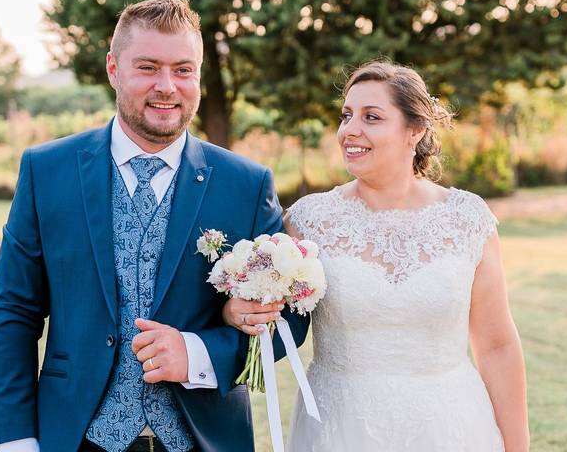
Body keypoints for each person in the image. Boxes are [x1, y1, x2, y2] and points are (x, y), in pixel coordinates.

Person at [0, 0, 309, 452]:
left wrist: (197, 354)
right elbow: (14, 313)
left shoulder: (246, 184)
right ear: (113, 69)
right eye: (148, 67)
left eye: (183, 69)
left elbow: (288, 322)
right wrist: (17, 440)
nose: (167, 86)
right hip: (76, 437)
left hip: (205, 440)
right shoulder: (47, 171)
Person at [224, 61, 529, 451]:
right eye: (346, 115)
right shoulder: (308, 221)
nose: (350, 130)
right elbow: (266, 317)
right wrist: (236, 310)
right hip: (341, 427)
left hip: (451, 426)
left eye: (372, 117)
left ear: (415, 130)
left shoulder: (467, 220)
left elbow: (497, 345)